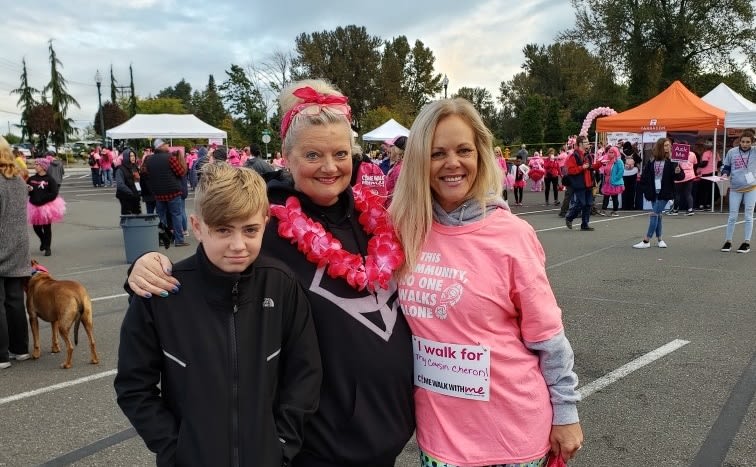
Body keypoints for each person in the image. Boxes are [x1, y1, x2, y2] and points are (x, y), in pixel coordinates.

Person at [125, 79, 415, 466]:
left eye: (340, 153)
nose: (330, 167)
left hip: (387, 435)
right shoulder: (267, 223)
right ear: (287, 156)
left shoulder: (377, 218)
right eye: (313, 155)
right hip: (315, 446)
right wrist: (145, 266)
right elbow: (209, 261)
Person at [390, 98, 583, 466]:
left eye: (464, 150)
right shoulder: (404, 231)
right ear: (418, 160)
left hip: (512, 437)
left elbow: (548, 337)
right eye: (437, 153)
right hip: (439, 439)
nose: (452, 163)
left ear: (480, 155)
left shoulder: (512, 235)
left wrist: (566, 412)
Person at [114, 162, 322, 465]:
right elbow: (134, 386)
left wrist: (282, 444)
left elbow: (305, 373)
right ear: (198, 227)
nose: (238, 245)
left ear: (265, 222)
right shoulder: (162, 293)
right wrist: (175, 449)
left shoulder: (281, 285)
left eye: (250, 230)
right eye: (223, 230)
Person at [0, 137, 31, 369]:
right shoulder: (18, 181)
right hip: (19, 246)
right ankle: (19, 348)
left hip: (2, 243)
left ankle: (1, 355)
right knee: (14, 300)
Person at [633, 138, 683, 249]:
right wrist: (645, 188)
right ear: (660, 146)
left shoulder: (672, 161)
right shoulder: (652, 160)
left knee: (654, 214)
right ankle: (660, 239)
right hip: (653, 191)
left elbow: (680, 176)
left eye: (669, 145)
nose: (668, 147)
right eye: (665, 145)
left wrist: (678, 172)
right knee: (658, 215)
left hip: (665, 192)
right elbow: (645, 176)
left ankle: (646, 240)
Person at [144, 139, 188, 247]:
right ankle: (179, 240)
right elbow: (181, 172)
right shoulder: (170, 158)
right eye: (166, 144)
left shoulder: (149, 160)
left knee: (161, 217)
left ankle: (163, 239)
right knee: (176, 215)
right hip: (173, 192)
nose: (168, 145)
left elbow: (147, 175)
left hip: (158, 193)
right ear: (161, 146)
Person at [720, 129, 756, 253]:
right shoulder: (732, 152)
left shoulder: (754, 151)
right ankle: (728, 241)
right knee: (732, 216)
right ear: (739, 142)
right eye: (743, 141)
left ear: (752, 142)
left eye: (748, 142)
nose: (745, 144)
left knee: (748, 215)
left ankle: (746, 242)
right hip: (735, 188)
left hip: (751, 188)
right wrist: (724, 174)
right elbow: (727, 167)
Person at [27, 157, 66, 256]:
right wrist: (29, 190)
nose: (35, 166)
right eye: (35, 164)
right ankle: (43, 240)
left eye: (37, 164)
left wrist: (43, 199)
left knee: (47, 227)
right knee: (36, 227)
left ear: (43, 167)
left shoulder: (50, 179)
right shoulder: (31, 179)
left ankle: (47, 247)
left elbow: (54, 193)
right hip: (34, 205)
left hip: (46, 206)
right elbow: (26, 190)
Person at [565, 136, 600, 231]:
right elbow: (571, 170)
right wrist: (582, 167)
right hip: (579, 183)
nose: (588, 144)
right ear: (580, 144)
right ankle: (569, 217)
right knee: (581, 203)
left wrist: (600, 164)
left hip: (588, 183)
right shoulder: (574, 156)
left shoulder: (588, 155)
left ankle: (585, 224)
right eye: (586, 142)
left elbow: (590, 167)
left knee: (588, 204)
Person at [598, 147, 625, 217]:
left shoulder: (619, 161)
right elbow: (605, 170)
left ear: (615, 153)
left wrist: (615, 178)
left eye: (612, 152)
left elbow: (621, 171)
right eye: (609, 152)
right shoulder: (607, 161)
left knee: (614, 197)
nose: (610, 154)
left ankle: (615, 211)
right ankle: (603, 210)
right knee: (606, 197)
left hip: (614, 182)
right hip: (607, 182)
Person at [115, 149, 142, 215]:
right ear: (126, 157)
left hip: (135, 195)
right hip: (125, 196)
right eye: (130, 156)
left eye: (134, 156)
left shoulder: (135, 167)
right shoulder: (120, 169)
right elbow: (120, 184)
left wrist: (139, 191)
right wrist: (130, 192)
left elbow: (137, 181)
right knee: (127, 214)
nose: (133, 158)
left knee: (137, 213)